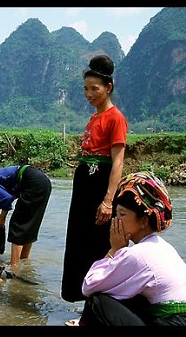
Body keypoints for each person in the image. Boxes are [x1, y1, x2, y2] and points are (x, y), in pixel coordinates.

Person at [78, 171, 186, 326]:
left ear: (143, 221)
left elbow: (89, 286)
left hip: (176, 322)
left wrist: (114, 250)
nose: (115, 220)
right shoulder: (163, 247)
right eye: (116, 214)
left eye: (122, 214)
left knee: (97, 302)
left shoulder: (138, 254)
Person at [61, 54, 128, 303]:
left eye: (94, 89)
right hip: (84, 184)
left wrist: (108, 201)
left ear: (108, 88)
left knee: (98, 244)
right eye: (86, 89)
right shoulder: (94, 117)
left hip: (100, 185)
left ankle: (101, 304)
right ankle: (82, 300)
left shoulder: (116, 118)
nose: (89, 94)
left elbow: (118, 162)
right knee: (78, 241)